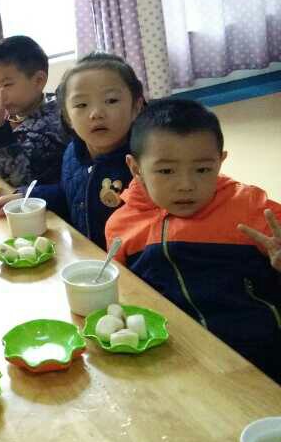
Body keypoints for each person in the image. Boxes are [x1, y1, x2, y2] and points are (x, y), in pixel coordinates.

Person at [106, 98, 281, 383]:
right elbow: (125, 294)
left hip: (261, 358)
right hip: (172, 362)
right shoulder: (120, 226)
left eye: (202, 170)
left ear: (220, 161)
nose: (186, 185)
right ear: (136, 168)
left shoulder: (250, 206)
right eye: (166, 171)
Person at [0, 52, 145, 250]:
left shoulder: (145, 163)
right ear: (68, 117)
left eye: (111, 100)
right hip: (84, 256)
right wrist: (27, 196)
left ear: (136, 107)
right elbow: (69, 193)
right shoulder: (73, 152)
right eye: (81, 105)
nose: (96, 113)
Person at [0, 35, 67, 187]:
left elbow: (19, 179)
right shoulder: (12, 115)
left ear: (38, 81)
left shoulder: (54, 120)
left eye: (7, 85)